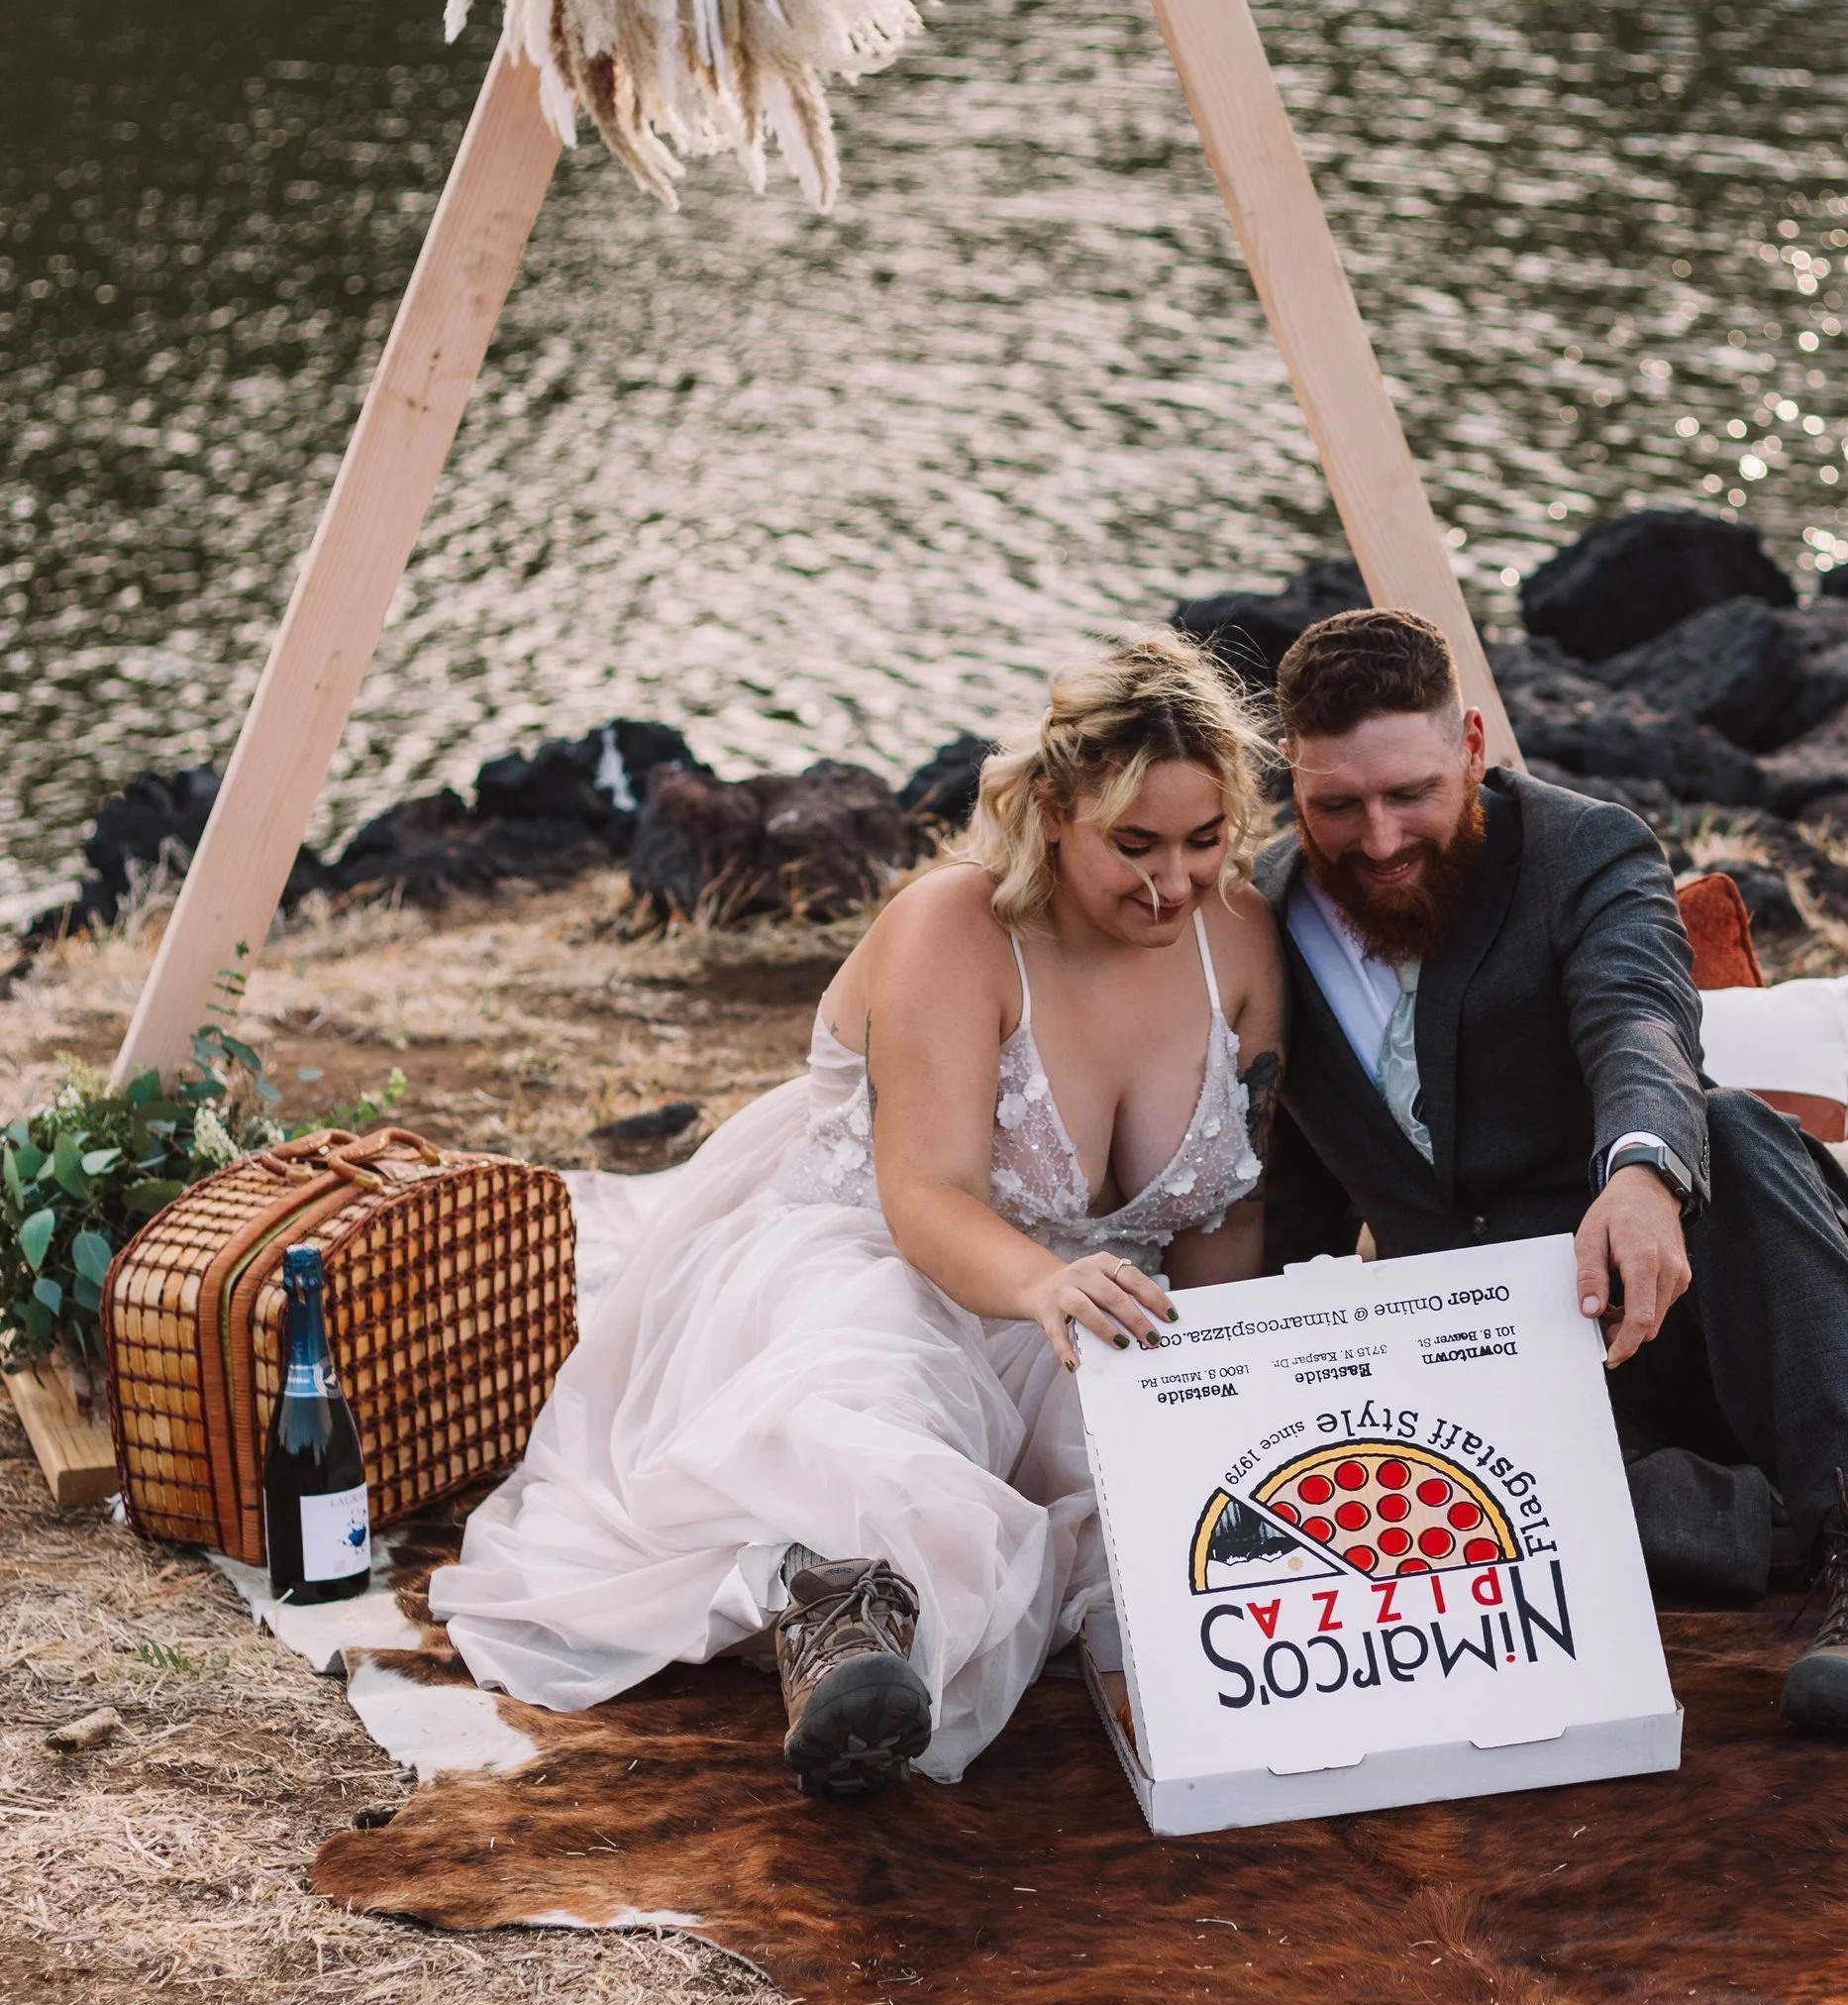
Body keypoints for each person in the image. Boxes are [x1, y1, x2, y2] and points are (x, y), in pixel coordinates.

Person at [433, 638, 1286, 1796]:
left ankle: (945, 1615)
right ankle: (843, 1622)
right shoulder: (955, 924)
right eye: (1132, 845)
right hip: (879, 1248)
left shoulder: (1233, 933)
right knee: (874, 1387)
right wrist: (1039, 1285)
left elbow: (1226, 1203)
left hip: (1086, 1300)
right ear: (1052, 806)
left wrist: (1211, 1384)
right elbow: (925, 1193)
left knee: (1156, 1486)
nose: (1170, 883)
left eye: (1203, 841)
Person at [1254, 606, 1848, 1745]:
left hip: (1685, 1318)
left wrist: (1643, 1171)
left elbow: (1641, 1027)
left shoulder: (1589, 850)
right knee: (1446, 1545)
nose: (1377, 839)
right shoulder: (1259, 915)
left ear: (1470, 744)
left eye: (1409, 792)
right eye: (1338, 805)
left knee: (1733, 1131)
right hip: (1490, 1387)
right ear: (1293, 778)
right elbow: (1293, 1207)